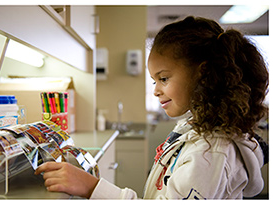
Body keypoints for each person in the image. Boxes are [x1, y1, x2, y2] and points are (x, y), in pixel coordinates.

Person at [34, 16, 268, 199]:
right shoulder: (196, 130)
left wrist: (92, 188)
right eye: (154, 81)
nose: (156, 90)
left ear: (203, 75)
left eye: (164, 78)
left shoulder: (210, 154)